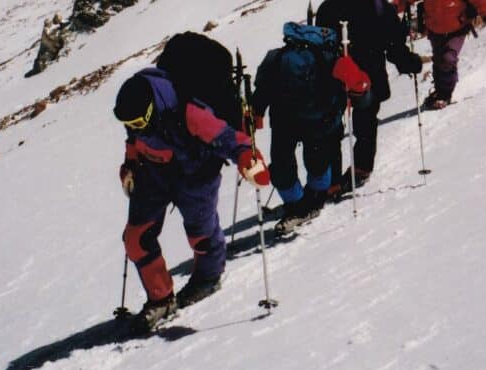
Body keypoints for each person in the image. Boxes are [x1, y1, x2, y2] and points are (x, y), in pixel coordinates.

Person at [114, 67, 269, 331]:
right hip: (153, 174)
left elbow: (232, 140)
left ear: (151, 109)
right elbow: (134, 142)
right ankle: (161, 298)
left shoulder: (190, 113)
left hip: (196, 175)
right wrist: (129, 166)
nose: (133, 128)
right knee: (136, 238)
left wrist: (249, 160)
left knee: (201, 234)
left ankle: (208, 277)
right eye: (129, 124)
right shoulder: (137, 115)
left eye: (139, 122)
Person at [251, 23, 368, 233]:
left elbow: (260, 94)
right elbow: (360, 86)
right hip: (319, 121)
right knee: (318, 162)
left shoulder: (276, 59)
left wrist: (255, 118)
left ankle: (295, 203)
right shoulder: (333, 58)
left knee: (281, 164)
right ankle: (314, 198)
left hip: (283, 121)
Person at [316, 0, 422, 188]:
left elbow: (394, 44)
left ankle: (361, 169)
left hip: (370, 78)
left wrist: (408, 62)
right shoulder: (331, 9)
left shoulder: (380, 8)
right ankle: (330, 180)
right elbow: (319, 46)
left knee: (365, 125)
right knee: (332, 130)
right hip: (337, 78)